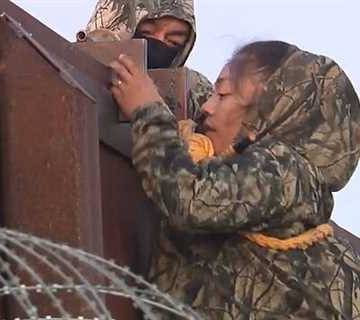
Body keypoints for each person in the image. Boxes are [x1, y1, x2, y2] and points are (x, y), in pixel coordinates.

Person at [109, 41, 360, 319]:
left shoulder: (285, 171)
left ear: (272, 112)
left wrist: (148, 110)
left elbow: (189, 198)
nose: (207, 108)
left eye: (223, 94)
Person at [82, 0, 212, 121]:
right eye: (147, 32)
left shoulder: (196, 97)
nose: (158, 43)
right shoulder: (68, 72)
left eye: (173, 41)